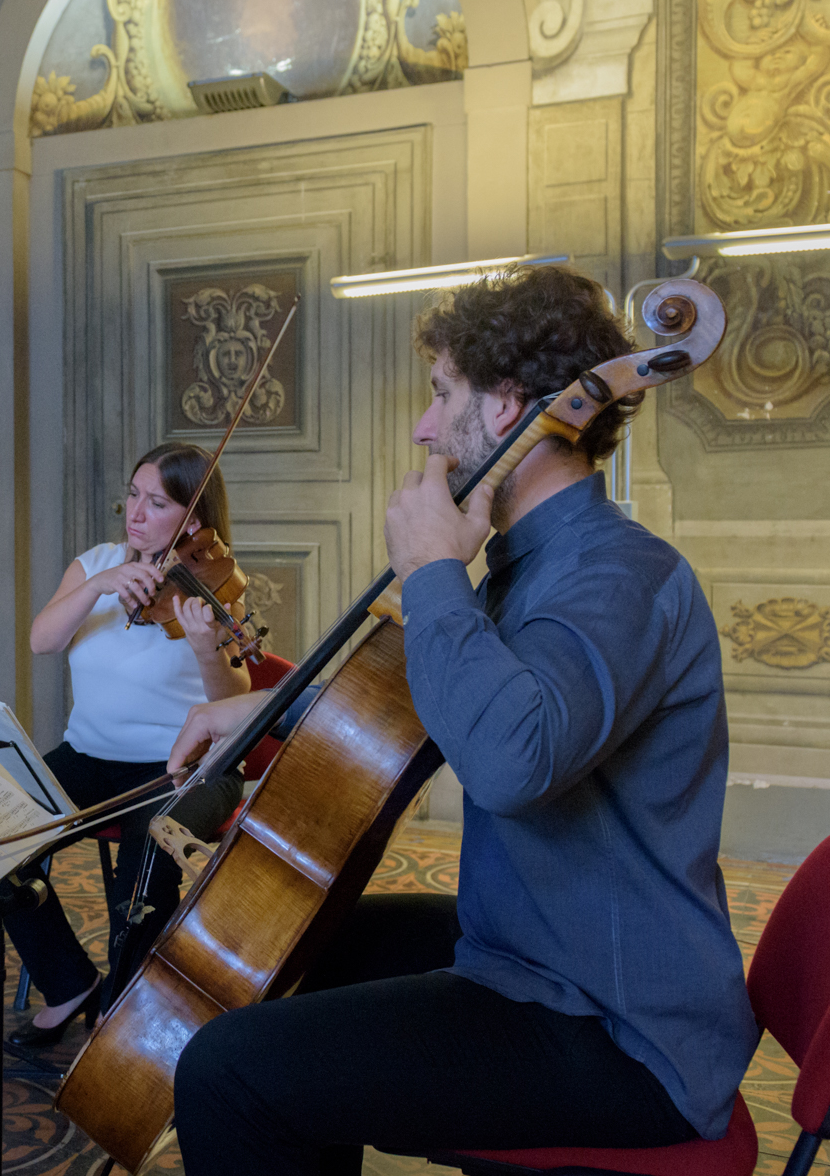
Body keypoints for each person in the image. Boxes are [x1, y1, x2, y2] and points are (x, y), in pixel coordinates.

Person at [163, 266, 757, 1172]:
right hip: (530, 945)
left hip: (617, 1021)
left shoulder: (620, 575)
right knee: (288, 945)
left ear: (512, 402)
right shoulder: (533, 564)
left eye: (442, 394)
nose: (424, 426)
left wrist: (434, 571)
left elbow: (510, 758)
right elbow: (447, 701)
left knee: (227, 1073)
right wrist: (259, 703)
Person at [3, 443, 252, 1049]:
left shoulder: (215, 582)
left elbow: (237, 701)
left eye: (157, 502)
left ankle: (124, 1018)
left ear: (192, 521)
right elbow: (41, 640)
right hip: (87, 757)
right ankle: (69, 983)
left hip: (183, 768)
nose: (135, 513)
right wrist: (99, 586)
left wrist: (203, 648)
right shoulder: (96, 565)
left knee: (147, 856)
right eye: (133, 495)